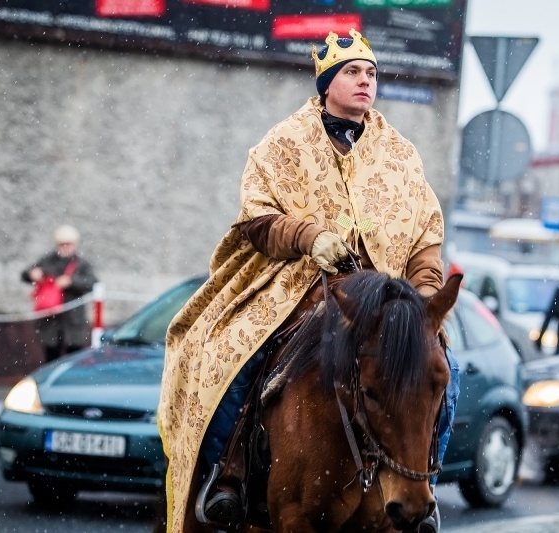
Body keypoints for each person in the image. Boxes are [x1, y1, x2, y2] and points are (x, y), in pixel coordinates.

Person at [157, 29, 457, 533]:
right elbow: (255, 219)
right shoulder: (283, 143)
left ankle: (421, 481)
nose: (366, 82)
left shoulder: (402, 155)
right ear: (326, 84)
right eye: (353, 73)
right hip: (299, 290)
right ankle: (223, 475)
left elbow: (427, 240)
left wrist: (424, 301)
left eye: (372, 73)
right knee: (227, 356)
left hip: (388, 302)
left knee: (444, 378)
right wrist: (307, 235)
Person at [21, 225, 98, 362]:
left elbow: (92, 283)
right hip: (51, 320)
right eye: (62, 244)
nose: (65, 247)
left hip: (73, 320)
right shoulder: (47, 261)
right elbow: (26, 274)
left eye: (68, 244)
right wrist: (33, 274)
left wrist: (71, 282)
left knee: (73, 358)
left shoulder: (81, 264)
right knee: (51, 357)